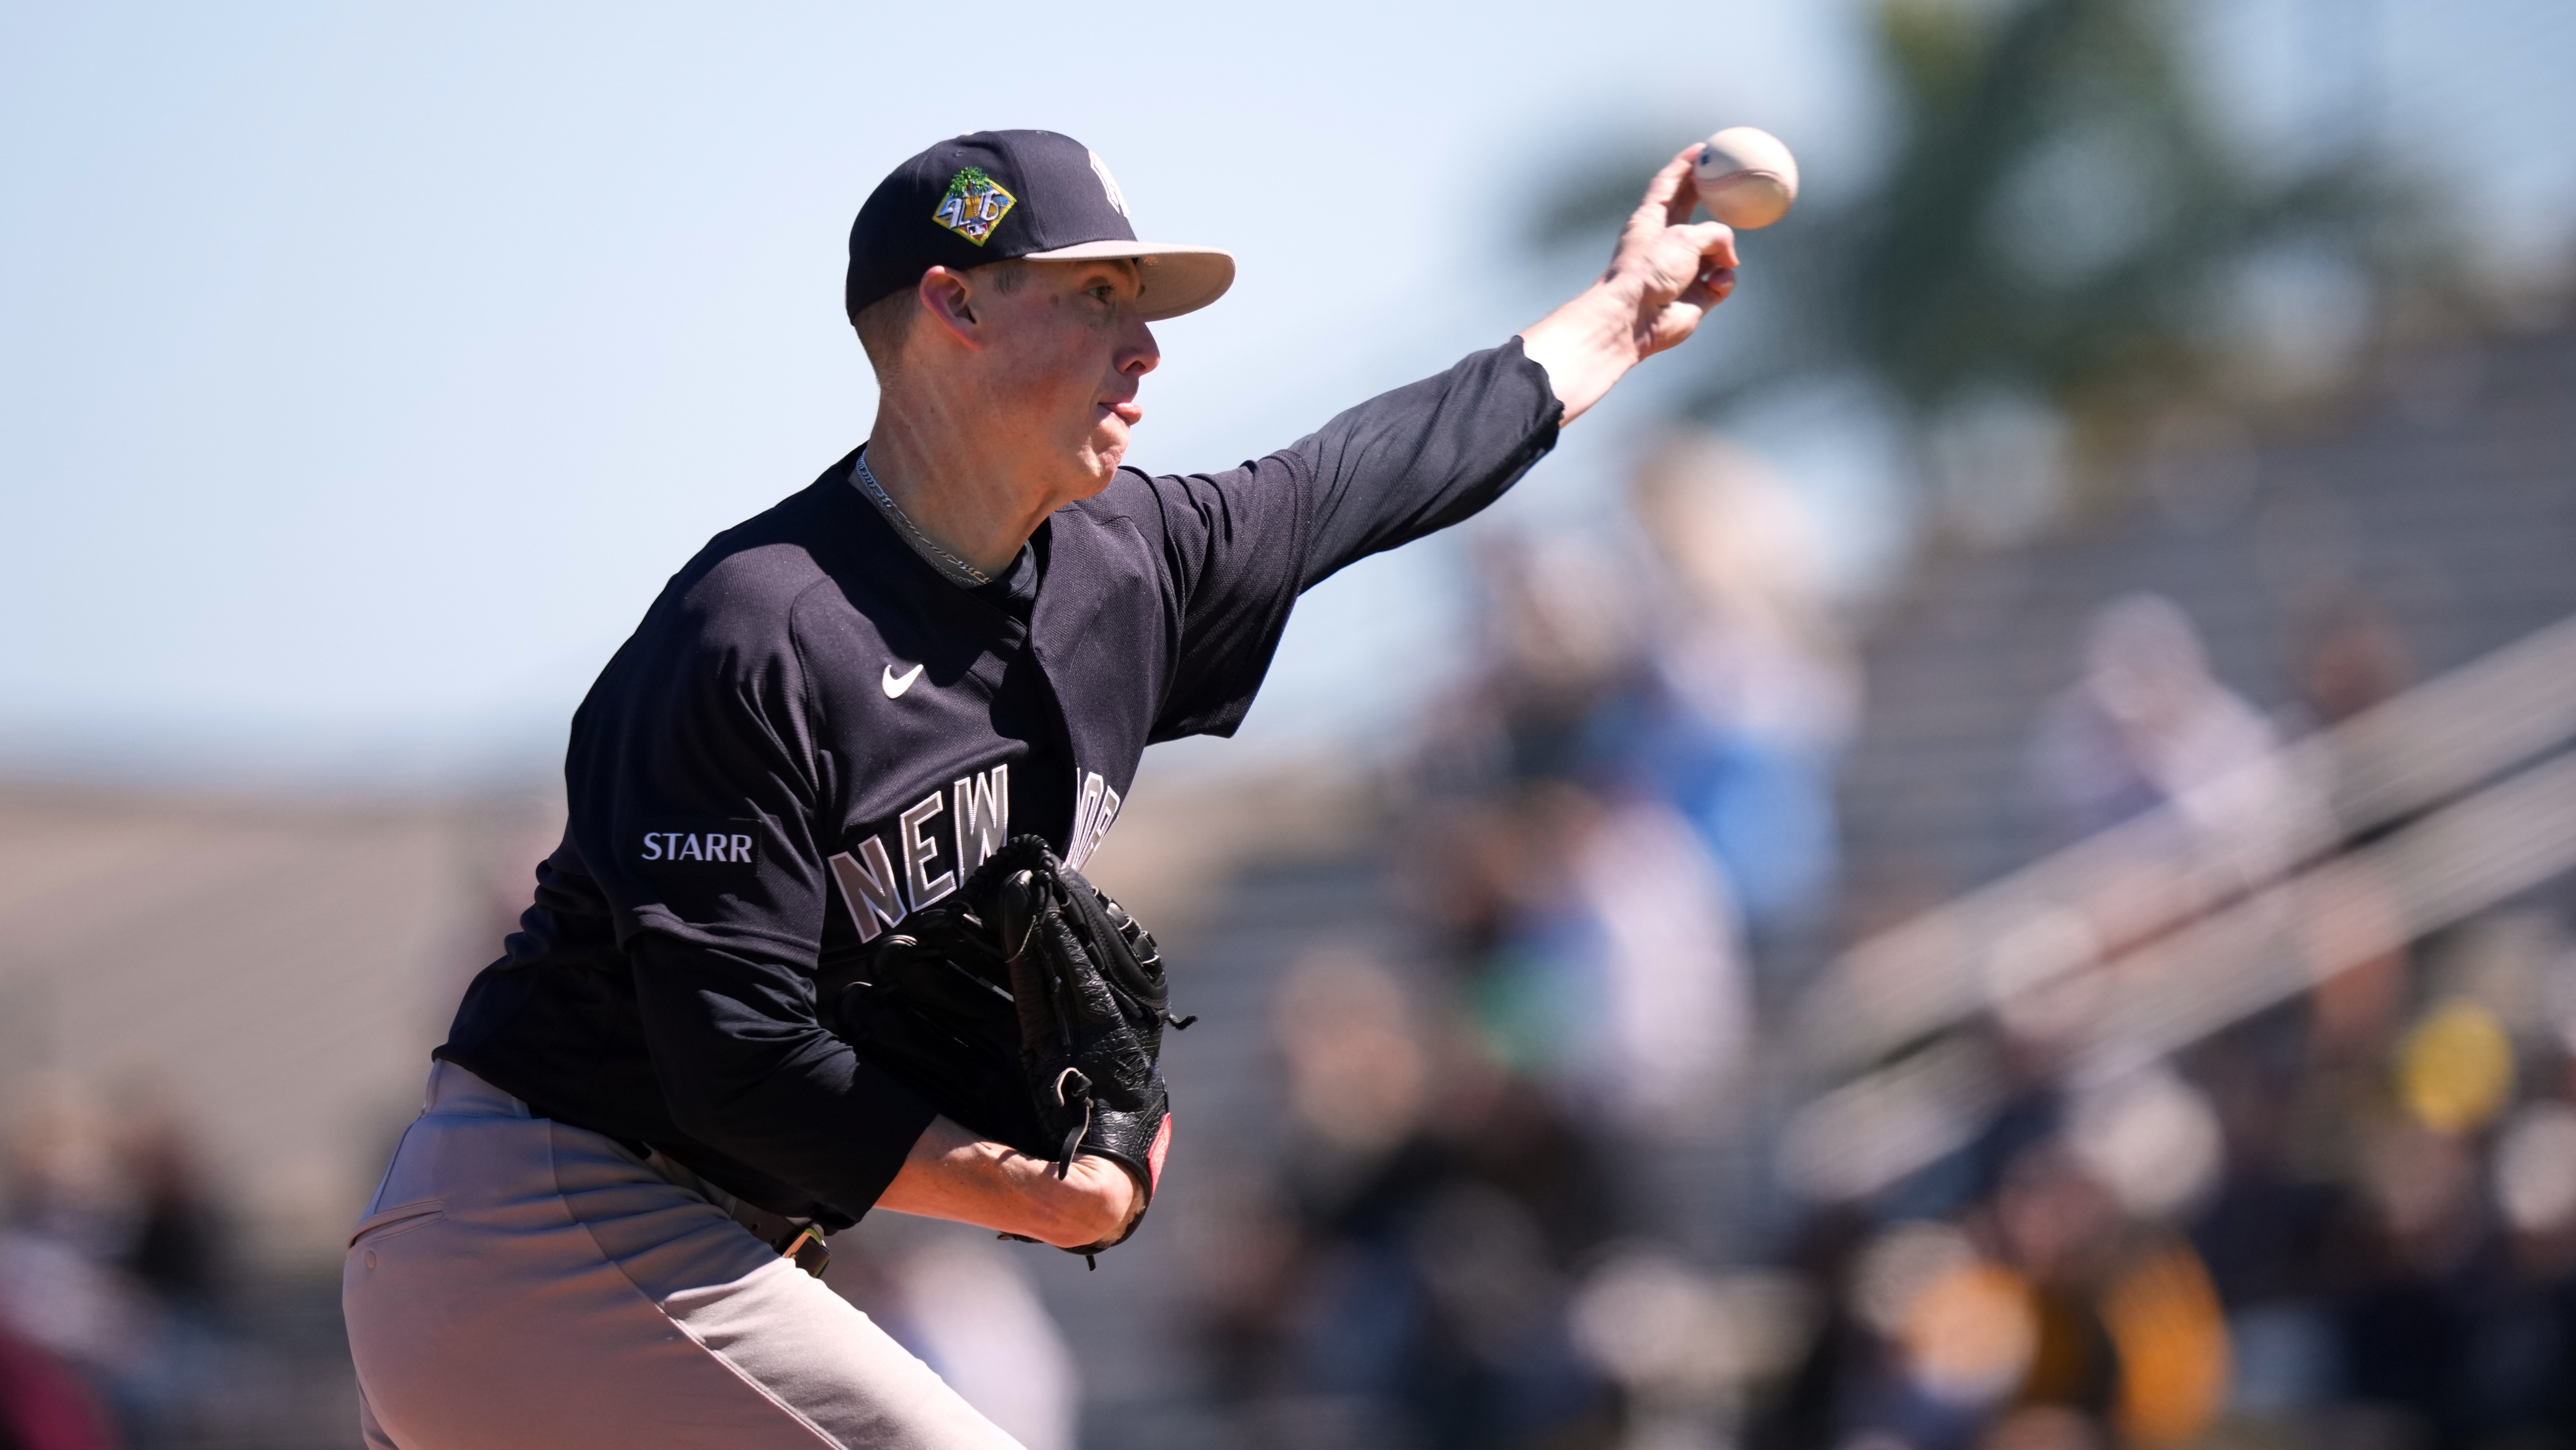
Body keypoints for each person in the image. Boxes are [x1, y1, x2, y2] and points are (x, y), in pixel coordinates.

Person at [341, 127, 1742, 1449]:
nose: (1144, 347)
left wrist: (1617, 316)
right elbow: (733, 1059)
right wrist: (1046, 1197)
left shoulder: (1130, 566)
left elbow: (1366, 477)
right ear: (952, 306)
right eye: (1093, 300)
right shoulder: (757, 633)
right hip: (545, 1229)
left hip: (696, 1252)